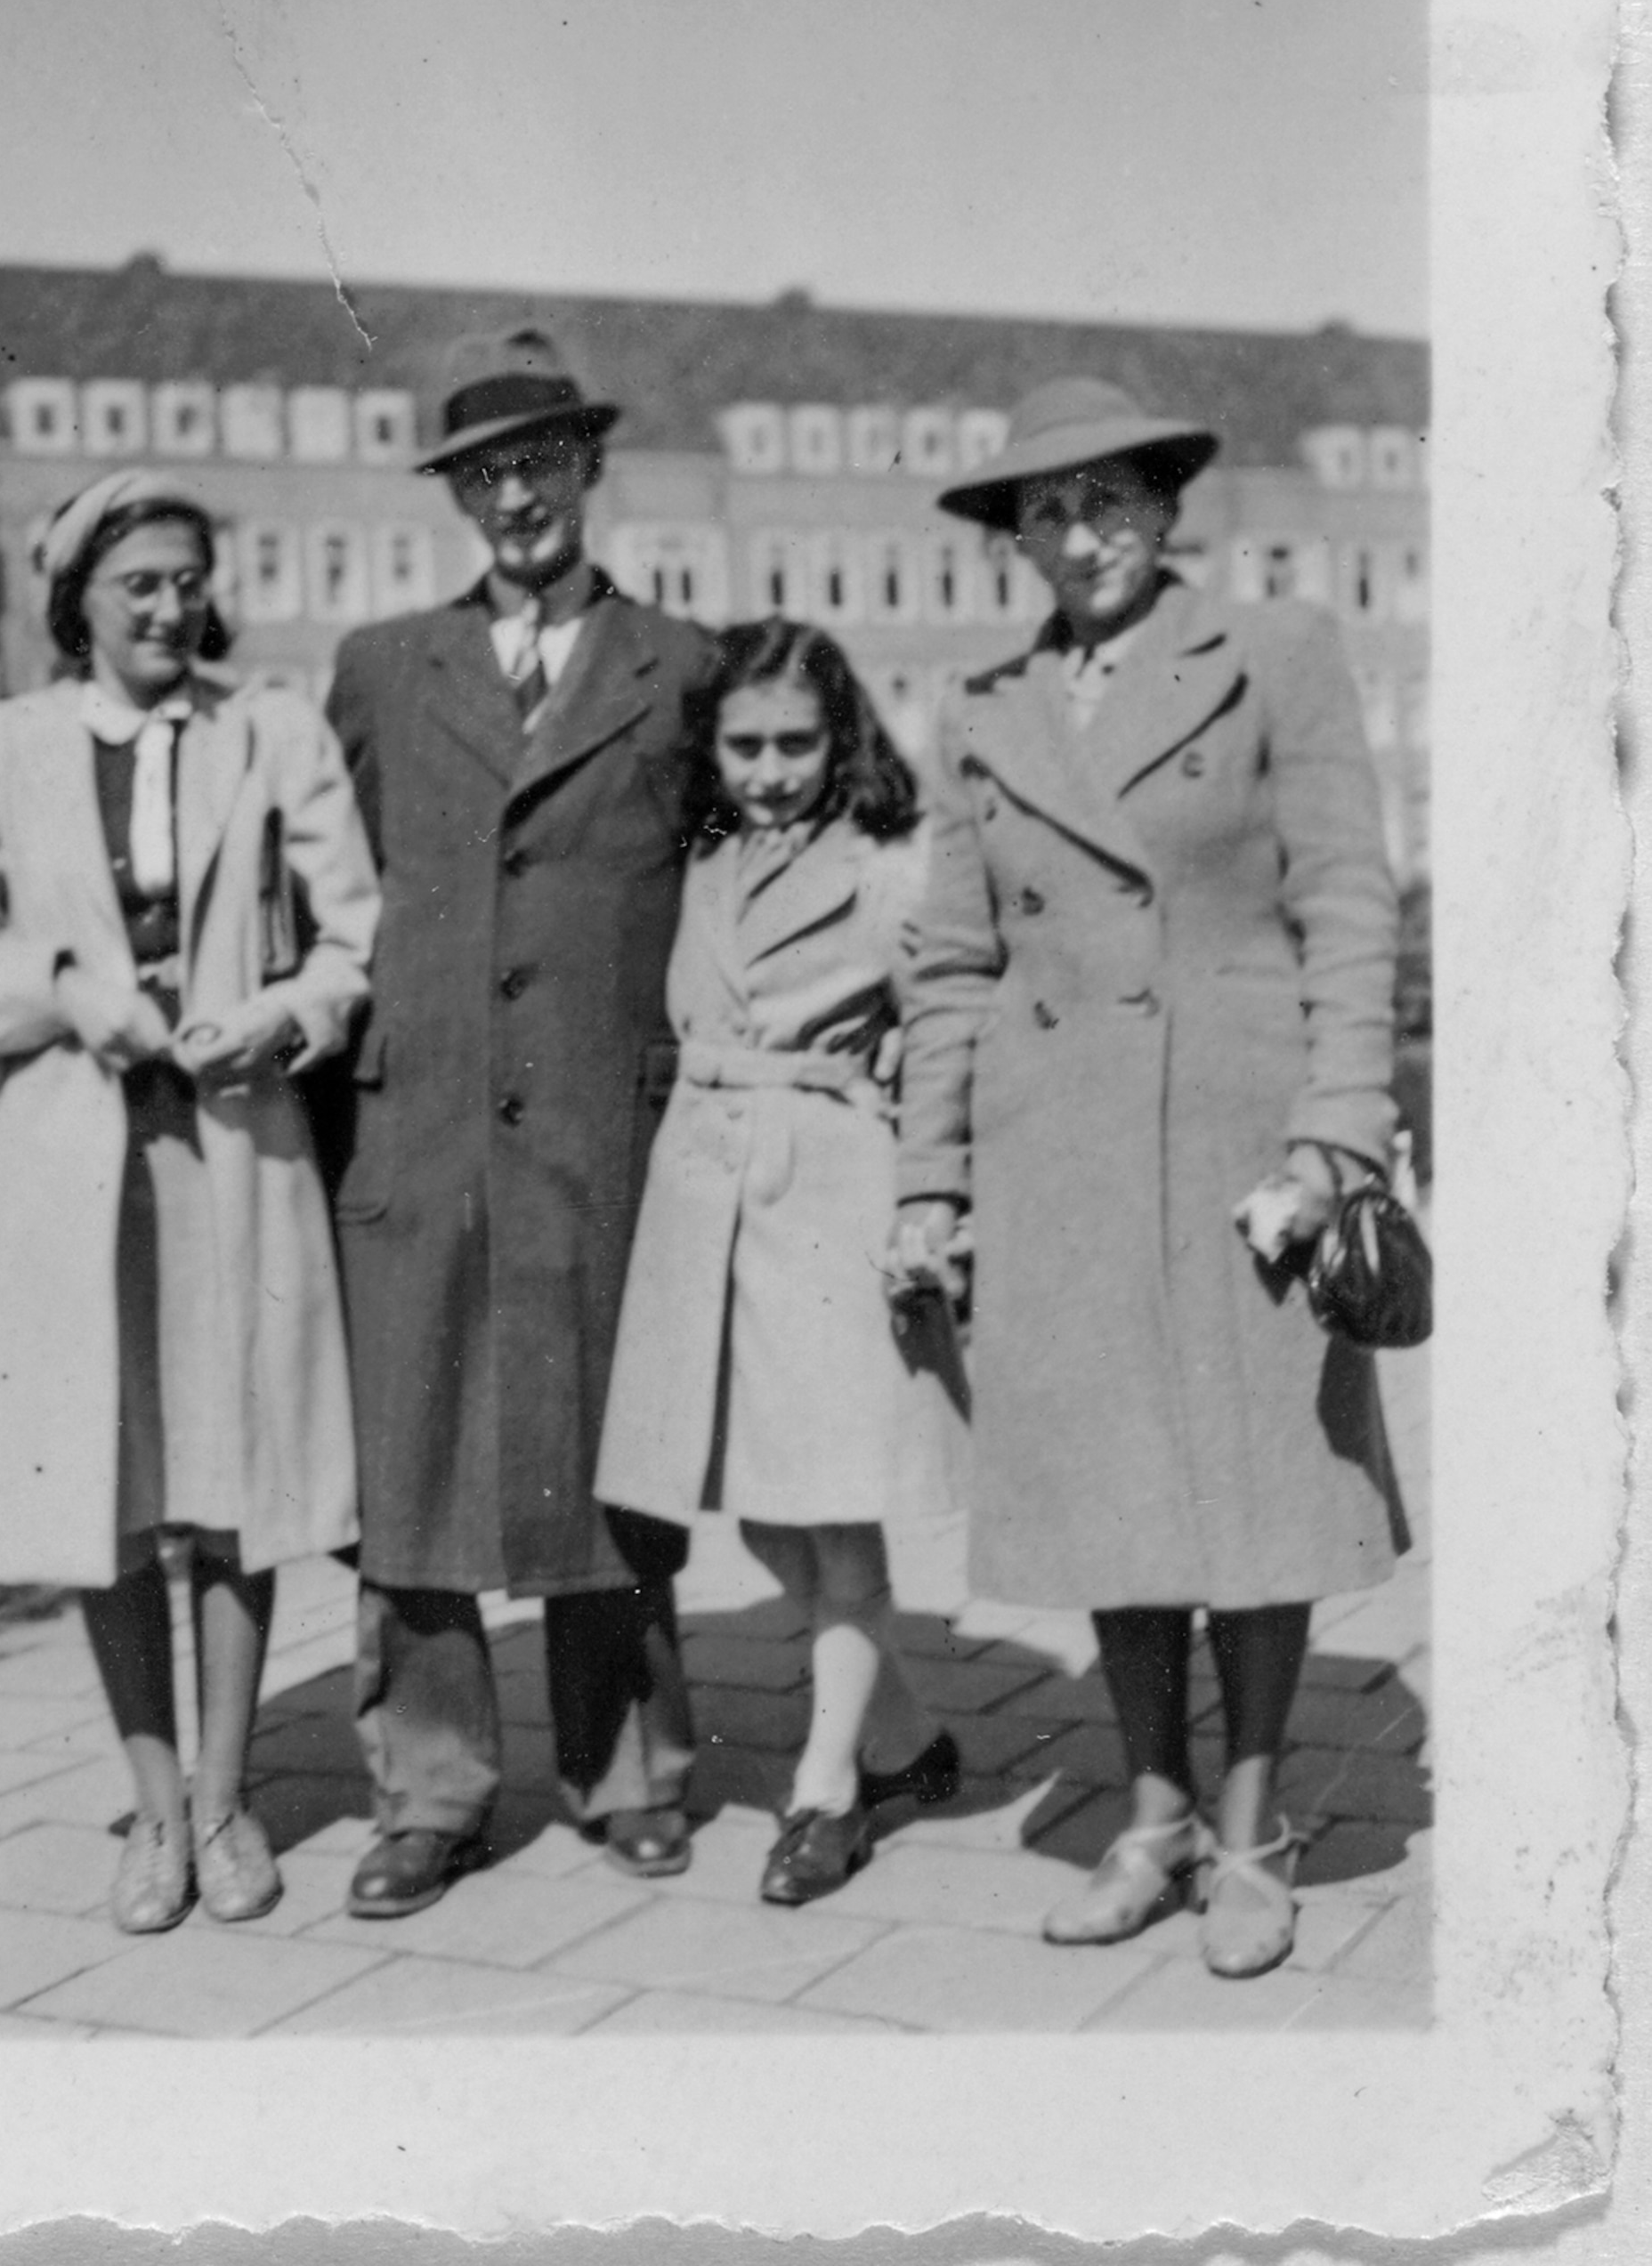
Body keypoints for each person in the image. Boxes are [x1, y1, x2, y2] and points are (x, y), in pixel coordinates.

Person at [890, 375, 1410, 1979]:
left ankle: (1252, 1838)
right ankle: (1154, 1819)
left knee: (1251, 1493)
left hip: (1239, 1144)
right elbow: (951, 966)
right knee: (1114, 1500)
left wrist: (1338, 1128)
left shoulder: (1277, 654)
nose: (1083, 533)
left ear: (1166, 511)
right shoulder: (984, 714)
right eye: (1047, 509)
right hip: (1062, 1153)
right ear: (1015, 539)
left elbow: (1346, 901)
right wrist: (932, 1178)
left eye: (1112, 499)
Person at [0, 469, 380, 1936]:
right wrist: (60, 990)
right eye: (139, 586)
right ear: (77, 603)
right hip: (74, 1165)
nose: (172, 608)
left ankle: (230, 1805)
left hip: (234, 1144)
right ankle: (154, 1812)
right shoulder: (2, 744)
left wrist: (284, 1012)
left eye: (186, 579)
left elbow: (356, 940)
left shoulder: (268, 729)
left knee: (234, 1481)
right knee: (107, 1494)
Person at [322, 328, 718, 1920]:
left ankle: (629, 1771)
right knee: (414, 1452)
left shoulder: (683, 668)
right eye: (484, 472)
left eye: (541, 463)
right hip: (414, 1124)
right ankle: (429, 1790)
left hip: (598, 1124)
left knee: (599, 1449)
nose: (516, 496)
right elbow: (324, 879)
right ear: (456, 496)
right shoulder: (377, 670)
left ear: (591, 470)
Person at [595, 623, 968, 1904]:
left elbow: (945, 1041)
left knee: (833, 1501)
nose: (767, 771)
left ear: (843, 740)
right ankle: (909, 1731)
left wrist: (930, 1199)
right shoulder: (702, 861)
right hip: (704, 1196)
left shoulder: (884, 869)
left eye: (795, 744)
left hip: (824, 1190)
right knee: (757, 1502)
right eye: (744, 745)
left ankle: (827, 1792)